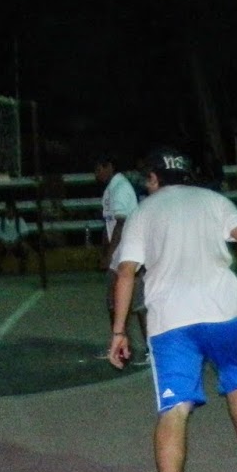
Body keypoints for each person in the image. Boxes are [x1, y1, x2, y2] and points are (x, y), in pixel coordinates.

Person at [108, 148, 237, 472]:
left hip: (172, 320)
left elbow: (127, 272)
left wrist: (119, 332)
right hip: (222, 311)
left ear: (154, 180)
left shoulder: (144, 212)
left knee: (174, 409)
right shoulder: (213, 200)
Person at [96, 154, 146, 359]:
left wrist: (109, 254)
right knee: (114, 303)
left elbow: (121, 223)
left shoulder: (120, 188)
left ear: (108, 166)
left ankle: (148, 349)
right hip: (120, 252)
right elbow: (109, 225)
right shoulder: (112, 189)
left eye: (98, 169)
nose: (96, 174)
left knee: (137, 304)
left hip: (127, 252)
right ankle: (120, 346)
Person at [0, 201, 33, 275]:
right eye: (8, 210)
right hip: (3, 243)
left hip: (16, 243)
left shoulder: (20, 220)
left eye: (11, 210)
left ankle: (22, 267)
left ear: (14, 211)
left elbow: (25, 233)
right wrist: (4, 243)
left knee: (25, 247)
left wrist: (15, 242)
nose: (9, 212)